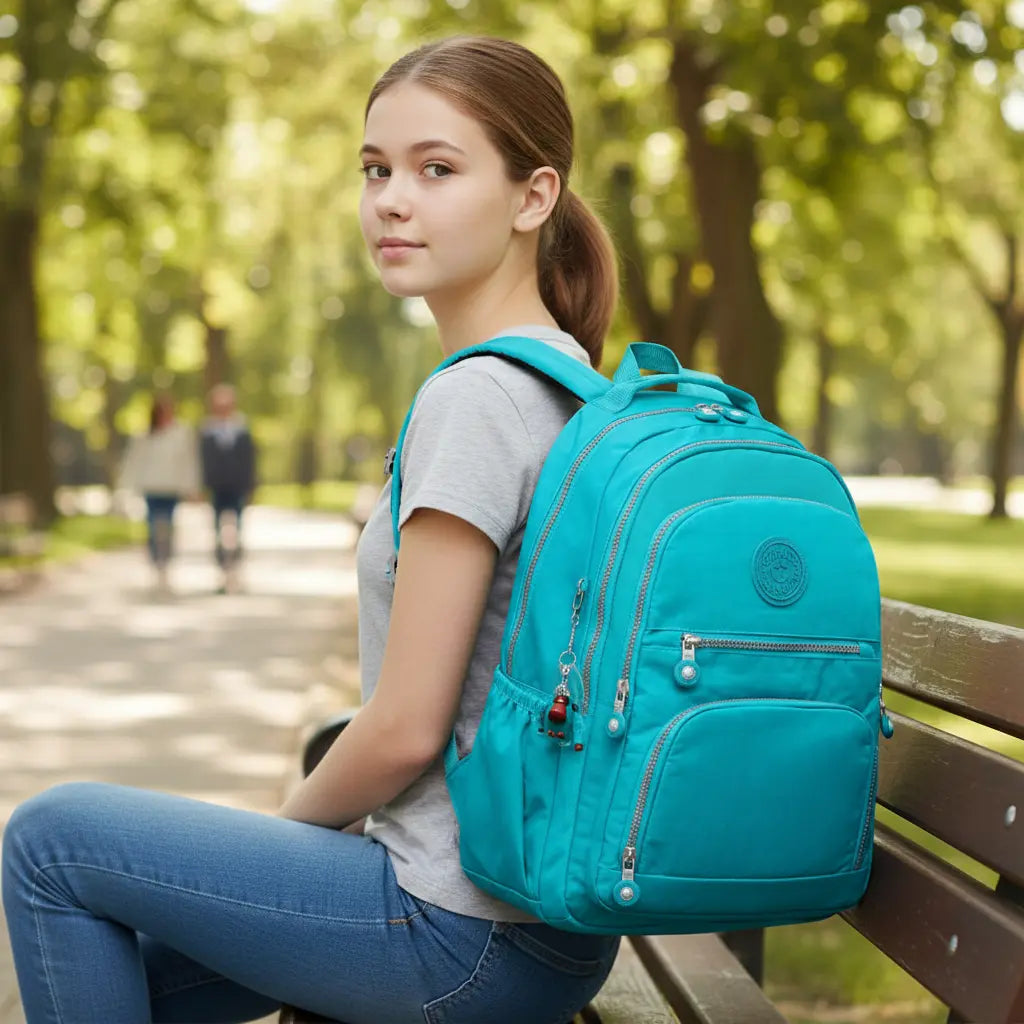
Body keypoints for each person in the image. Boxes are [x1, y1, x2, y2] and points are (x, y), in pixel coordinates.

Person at [2, 36, 621, 1023]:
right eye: (376, 170)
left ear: (533, 196)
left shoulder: (478, 399)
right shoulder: (566, 382)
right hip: (538, 930)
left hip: (453, 928)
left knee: (50, 841)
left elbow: (406, 727)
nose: (392, 200)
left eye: (437, 169)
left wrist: (282, 842)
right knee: (110, 971)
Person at [116, 393, 200, 593]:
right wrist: (125, 489)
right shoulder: (145, 436)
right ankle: (156, 562)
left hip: (171, 489)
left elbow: (188, 463)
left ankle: (166, 563)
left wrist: (192, 488)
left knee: (168, 527)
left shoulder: (181, 434)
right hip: (151, 488)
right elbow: (133, 463)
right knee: (153, 527)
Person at [199, 383, 257, 593]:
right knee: (217, 530)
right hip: (216, 488)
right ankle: (222, 571)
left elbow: (249, 460)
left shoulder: (242, 429)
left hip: (237, 487)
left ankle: (235, 570)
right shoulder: (207, 430)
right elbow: (202, 462)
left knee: (237, 529)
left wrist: (251, 486)